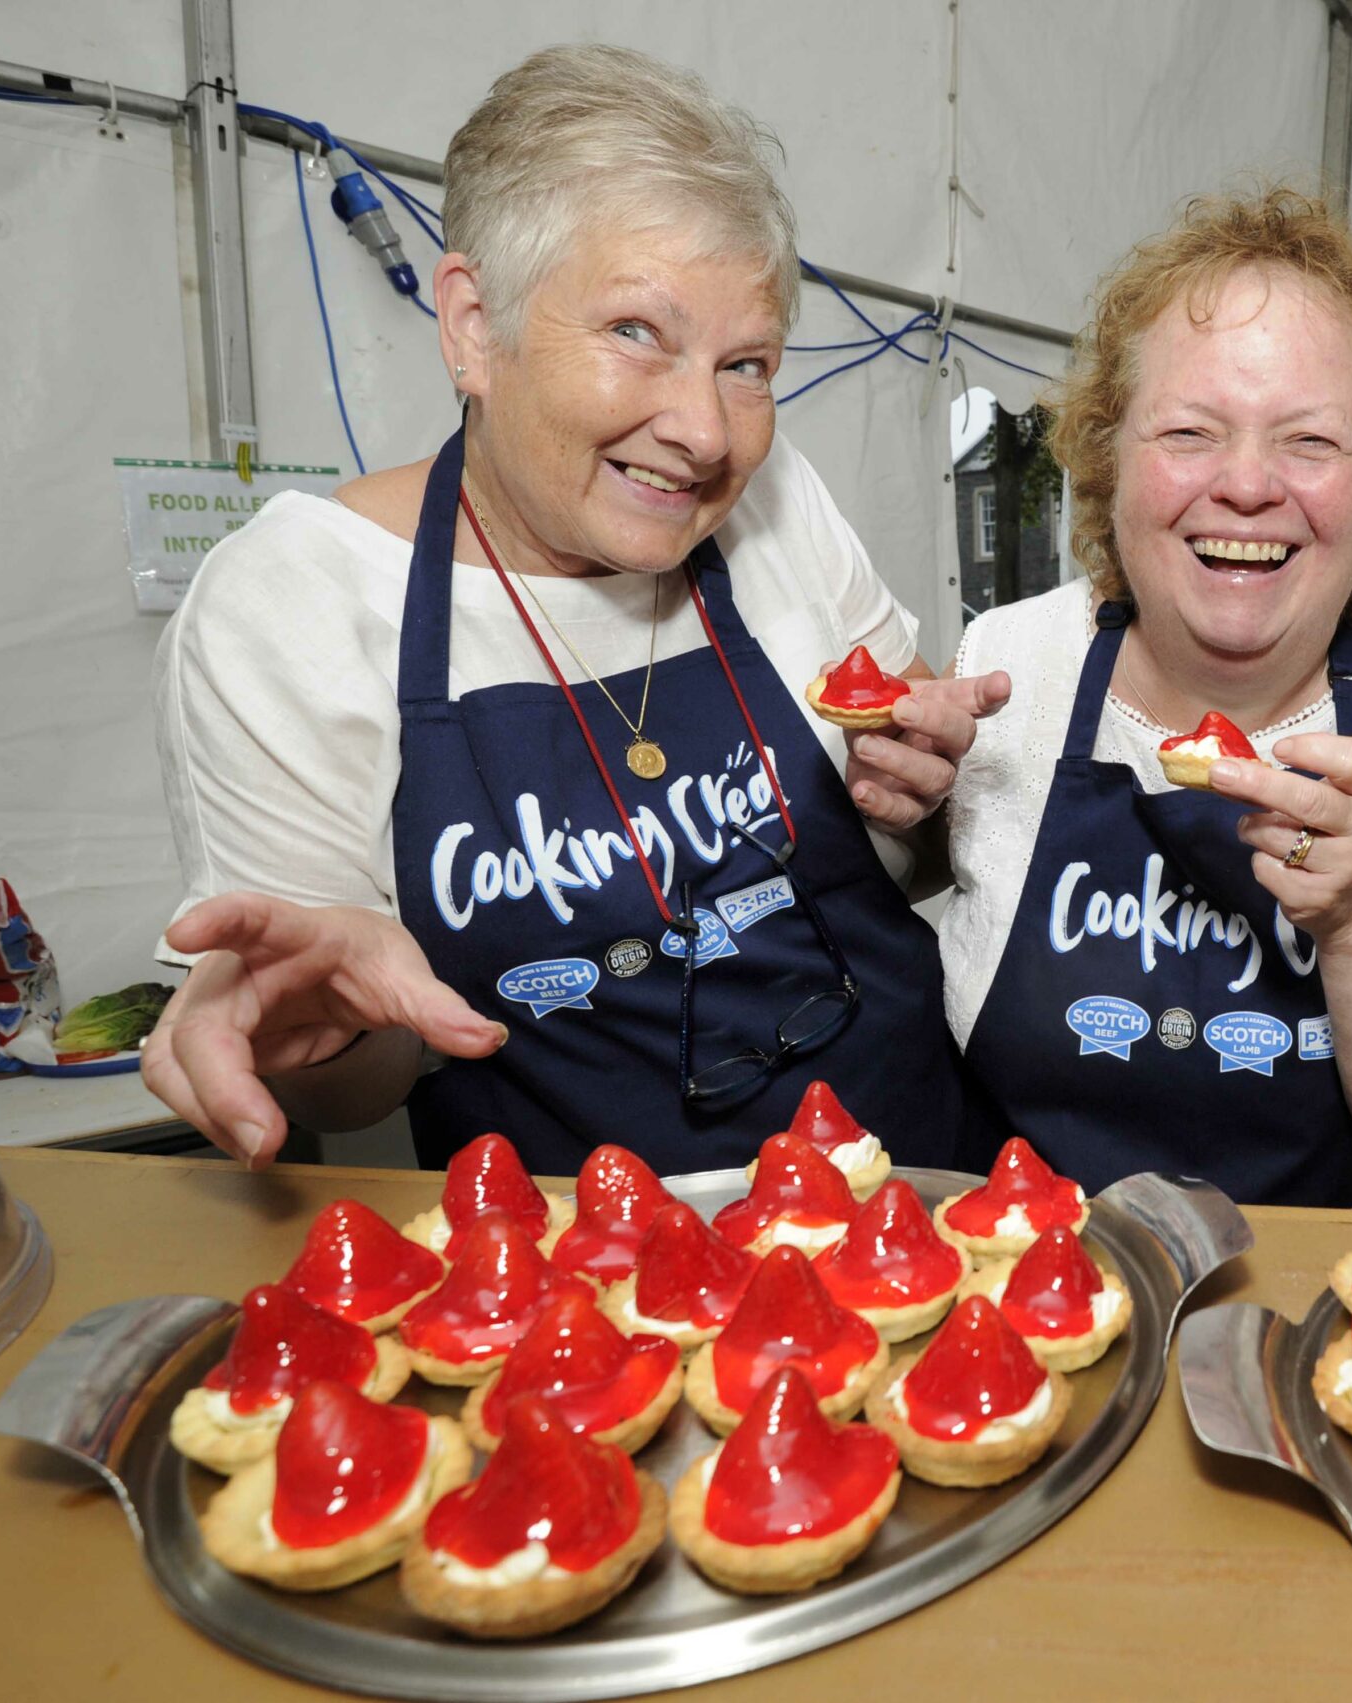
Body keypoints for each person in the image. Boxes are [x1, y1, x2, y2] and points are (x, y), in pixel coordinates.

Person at [142, 45, 1005, 1175]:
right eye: (636, 334)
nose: (704, 429)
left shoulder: (779, 506)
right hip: (581, 1292)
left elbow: (928, 853)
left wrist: (929, 798)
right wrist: (325, 1025)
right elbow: (355, 1095)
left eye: (745, 362)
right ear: (470, 324)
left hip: (924, 1201)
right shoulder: (298, 601)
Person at [937, 189, 1352, 1206]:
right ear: (1108, 457)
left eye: (1309, 441)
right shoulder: (1008, 662)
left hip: (1340, 1322)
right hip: (1033, 1294)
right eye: (1190, 432)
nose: (1248, 486)